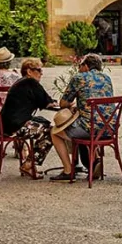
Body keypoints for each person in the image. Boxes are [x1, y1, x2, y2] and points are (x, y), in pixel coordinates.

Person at [50, 53, 114, 182]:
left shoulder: (79, 78)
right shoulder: (107, 78)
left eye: (80, 65)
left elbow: (63, 103)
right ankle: (94, 163)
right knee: (88, 122)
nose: (79, 68)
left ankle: (68, 170)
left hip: (89, 129)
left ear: (86, 66)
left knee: (55, 132)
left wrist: (72, 105)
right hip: (109, 128)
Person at [1, 59, 58, 178]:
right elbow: (47, 102)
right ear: (29, 71)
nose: (41, 73)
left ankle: (30, 164)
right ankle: (29, 164)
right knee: (51, 132)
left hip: (7, 125)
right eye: (38, 70)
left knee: (45, 126)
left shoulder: (22, 82)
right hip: (16, 126)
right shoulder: (31, 82)